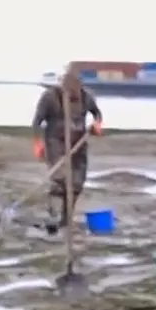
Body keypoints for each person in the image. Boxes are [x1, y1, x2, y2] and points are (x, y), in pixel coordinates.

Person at [31, 65, 104, 236]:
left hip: (79, 142)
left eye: (75, 92)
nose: (73, 95)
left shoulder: (86, 97)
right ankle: (53, 216)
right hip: (56, 141)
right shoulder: (49, 97)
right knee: (60, 179)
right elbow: (37, 122)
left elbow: (97, 114)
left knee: (77, 182)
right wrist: (37, 143)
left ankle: (66, 218)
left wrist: (97, 125)